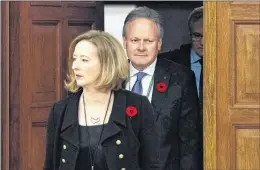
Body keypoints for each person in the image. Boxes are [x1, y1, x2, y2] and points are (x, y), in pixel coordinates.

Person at [43, 30, 161, 170]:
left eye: (84, 60)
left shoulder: (138, 105)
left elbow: (152, 165)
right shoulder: (60, 110)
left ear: (107, 63)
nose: (75, 66)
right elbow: (50, 165)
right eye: (75, 58)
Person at [123, 6, 201, 170]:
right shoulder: (110, 76)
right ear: (125, 42)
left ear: (159, 44)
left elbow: (189, 144)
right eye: (135, 40)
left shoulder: (181, 79)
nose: (141, 47)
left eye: (149, 41)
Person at [160, 7, 204, 168]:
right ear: (190, 35)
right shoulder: (169, 63)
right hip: (178, 147)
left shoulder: (232, 60)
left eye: (209, 35)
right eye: (197, 36)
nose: (203, 43)